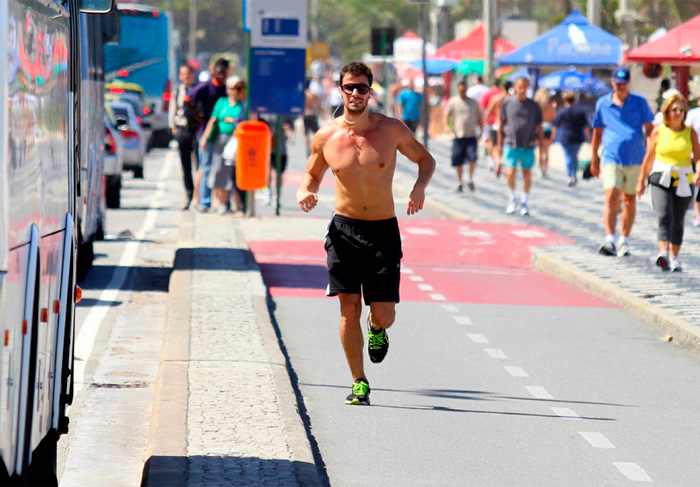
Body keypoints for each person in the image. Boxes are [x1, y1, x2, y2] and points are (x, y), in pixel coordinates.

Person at [296, 61, 435, 406]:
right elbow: (310, 176)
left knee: (383, 312)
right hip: (344, 230)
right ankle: (359, 381)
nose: (355, 93)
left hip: (383, 232)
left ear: (370, 92)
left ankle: (377, 329)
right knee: (348, 307)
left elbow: (425, 159)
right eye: (349, 87)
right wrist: (305, 191)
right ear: (340, 90)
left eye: (361, 88)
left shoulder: (391, 130)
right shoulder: (326, 136)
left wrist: (419, 188)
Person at [590, 65, 654, 257]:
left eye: (624, 84)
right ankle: (609, 239)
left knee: (629, 199)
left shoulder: (639, 102)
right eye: (618, 84)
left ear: (628, 83)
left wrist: (651, 154)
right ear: (612, 83)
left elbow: (650, 129)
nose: (621, 88)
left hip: (636, 158)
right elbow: (597, 131)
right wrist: (594, 157)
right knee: (611, 195)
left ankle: (624, 239)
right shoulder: (603, 104)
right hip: (611, 157)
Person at [636, 93, 700, 272]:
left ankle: (674, 256)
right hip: (660, 177)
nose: (678, 113)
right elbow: (649, 157)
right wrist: (641, 180)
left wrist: (698, 171)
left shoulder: (690, 132)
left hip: (683, 179)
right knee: (665, 215)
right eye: (674, 110)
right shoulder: (659, 130)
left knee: (678, 219)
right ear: (667, 112)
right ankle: (663, 253)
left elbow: (697, 157)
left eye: (681, 110)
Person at [184, 58, 229, 211]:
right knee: (206, 166)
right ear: (214, 72)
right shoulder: (206, 87)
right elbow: (187, 99)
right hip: (207, 133)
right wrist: (199, 118)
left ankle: (220, 202)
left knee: (222, 167)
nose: (222, 76)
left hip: (222, 133)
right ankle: (204, 201)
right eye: (219, 73)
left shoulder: (226, 89)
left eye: (224, 73)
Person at [497, 76, 543, 216]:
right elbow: (501, 124)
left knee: (526, 173)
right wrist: (499, 144)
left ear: (528, 88)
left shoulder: (534, 106)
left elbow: (539, 127)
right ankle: (512, 198)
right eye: (519, 86)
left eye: (525, 87)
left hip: (528, 144)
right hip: (510, 143)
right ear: (515, 87)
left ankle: (524, 201)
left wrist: (542, 147)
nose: (522, 89)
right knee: (510, 172)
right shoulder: (507, 103)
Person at [200, 78, 247, 215]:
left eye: (236, 89)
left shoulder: (242, 105)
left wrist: (233, 121)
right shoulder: (221, 102)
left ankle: (236, 204)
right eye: (231, 88)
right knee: (217, 171)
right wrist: (205, 138)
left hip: (235, 141)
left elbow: (242, 121)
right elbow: (213, 120)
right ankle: (222, 203)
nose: (233, 92)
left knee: (231, 173)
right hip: (219, 141)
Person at [169, 63, 200, 209]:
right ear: (180, 76)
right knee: (185, 166)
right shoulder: (177, 91)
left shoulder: (198, 90)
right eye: (183, 73)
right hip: (182, 130)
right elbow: (173, 110)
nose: (186, 76)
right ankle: (189, 195)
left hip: (196, 130)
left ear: (193, 74)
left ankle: (199, 196)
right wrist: (174, 128)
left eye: (188, 73)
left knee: (199, 165)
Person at [446, 81, 482, 192]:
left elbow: (479, 116)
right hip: (458, 135)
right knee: (458, 160)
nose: (462, 93)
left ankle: (470, 179)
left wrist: (481, 129)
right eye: (460, 91)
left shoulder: (473, 102)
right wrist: (449, 128)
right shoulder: (453, 101)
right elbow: (447, 116)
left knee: (472, 158)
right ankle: (459, 181)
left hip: (471, 135)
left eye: (464, 91)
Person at [551, 91, 590, 187]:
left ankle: (570, 175)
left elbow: (555, 125)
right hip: (578, 137)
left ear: (564, 100)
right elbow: (586, 126)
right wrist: (588, 137)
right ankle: (574, 174)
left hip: (566, 137)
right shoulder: (580, 111)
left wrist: (553, 135)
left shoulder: (561, 111)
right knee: (574, 156)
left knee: (568, 156)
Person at [485, 80, 512, 178]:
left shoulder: (497, 98)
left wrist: (487, 123)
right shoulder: (512, 99)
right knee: (507, 146)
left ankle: (498, 162)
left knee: (496, 147)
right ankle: (506, 164)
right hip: (509, 126)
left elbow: (489, 111)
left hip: (497, 124)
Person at [534, 87, 557, 178]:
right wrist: (554, 132)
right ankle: (545, 169)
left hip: (538, 128)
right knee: (546, 151)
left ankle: (540, 169)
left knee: (540, 150)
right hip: (547, 128)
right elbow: (553, 119)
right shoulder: (550, 106)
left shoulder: (536, 106)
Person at [685, 94, 700, 227]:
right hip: (695, 154)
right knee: (697, 184)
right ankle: (699, 213)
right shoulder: (692, 114)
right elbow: (686, 131)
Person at [303, 78, 321, 157]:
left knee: (306, 133)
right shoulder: (312, 95)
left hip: (305, 115)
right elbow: (318, 104)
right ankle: (313, 147)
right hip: (312, 114)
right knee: (316, 133)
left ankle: (307, 147)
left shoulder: (303, 95)